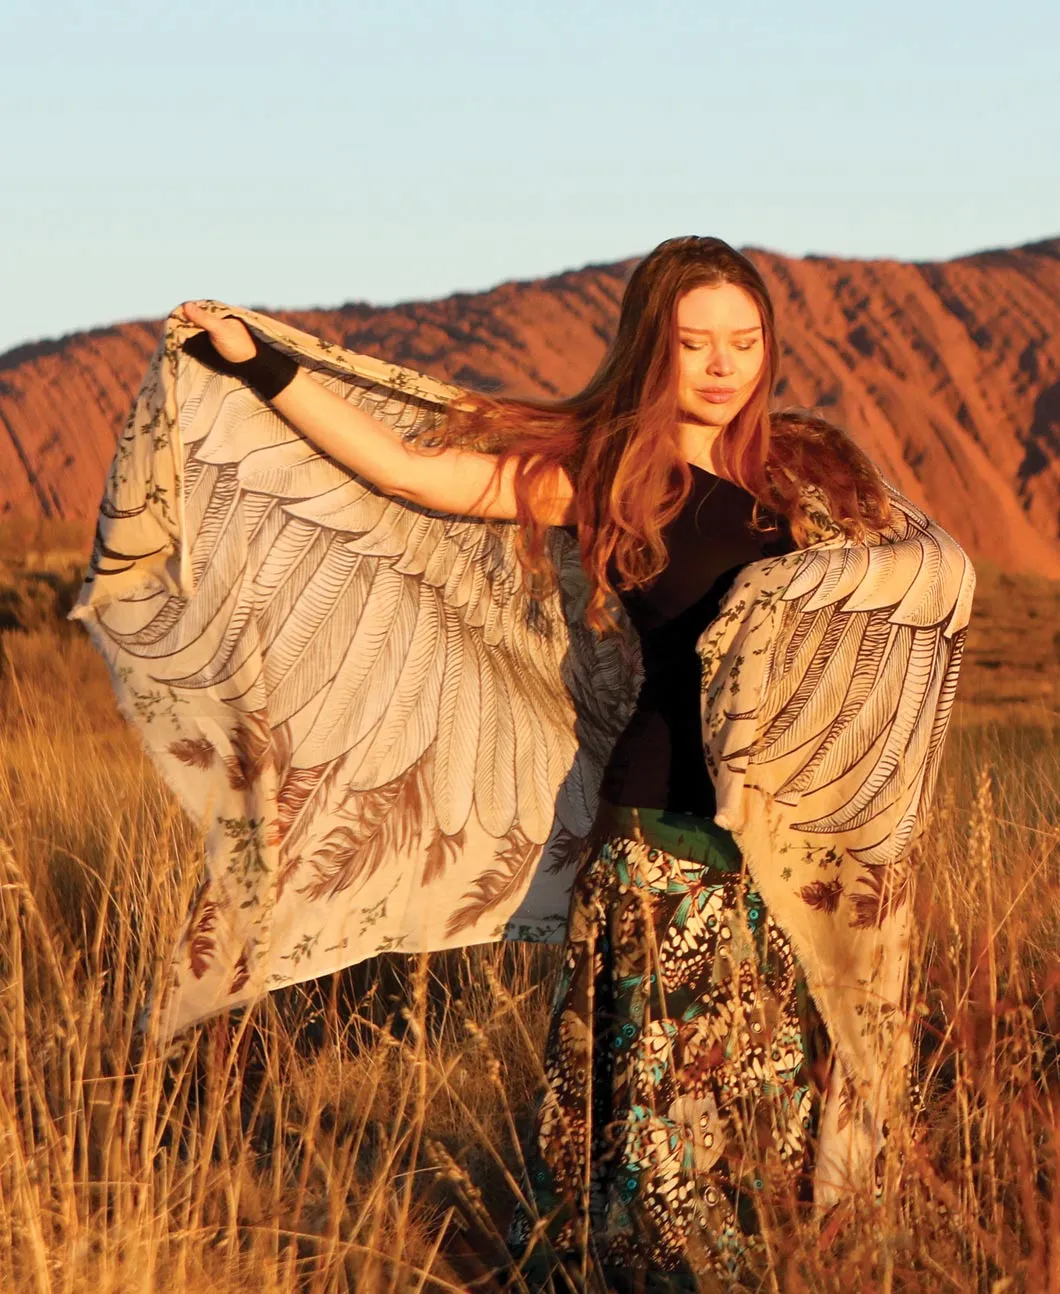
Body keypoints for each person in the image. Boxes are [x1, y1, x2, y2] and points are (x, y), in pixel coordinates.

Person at [78, 236, 972, 1291]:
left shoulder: (810, 476)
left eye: (744, 342)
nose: (723, 365)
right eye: (695, 344)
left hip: (784, 857)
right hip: (656, 843)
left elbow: (923, 577)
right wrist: (258, 363)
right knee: (650, 1151)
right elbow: (414, 473)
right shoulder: (606, 480)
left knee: (761, 1127)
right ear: (653, 351)